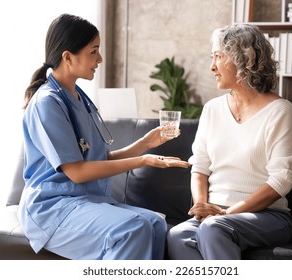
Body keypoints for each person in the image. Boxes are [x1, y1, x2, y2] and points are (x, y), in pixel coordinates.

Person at [19, 13, 190, 260]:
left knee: (155, 224)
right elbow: (77, 171)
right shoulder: (48, 103)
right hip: (51, 207)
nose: (100, 59)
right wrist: (143, 161)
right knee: (134, 228)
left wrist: (145, 144)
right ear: (67, 56)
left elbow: (97, 159)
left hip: (83, 200)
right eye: (93, 51)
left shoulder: (78, 98)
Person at [167, 24, 292, 260]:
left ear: (244, 59)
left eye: (218, 57)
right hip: (215, 214)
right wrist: (201, 207)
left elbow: (281, 180)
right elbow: (199, 166)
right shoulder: (212, 109)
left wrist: (226, 213)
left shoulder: (280, 111)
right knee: (178, 235)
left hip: (267, 215)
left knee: (214, 229)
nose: (212, 67)